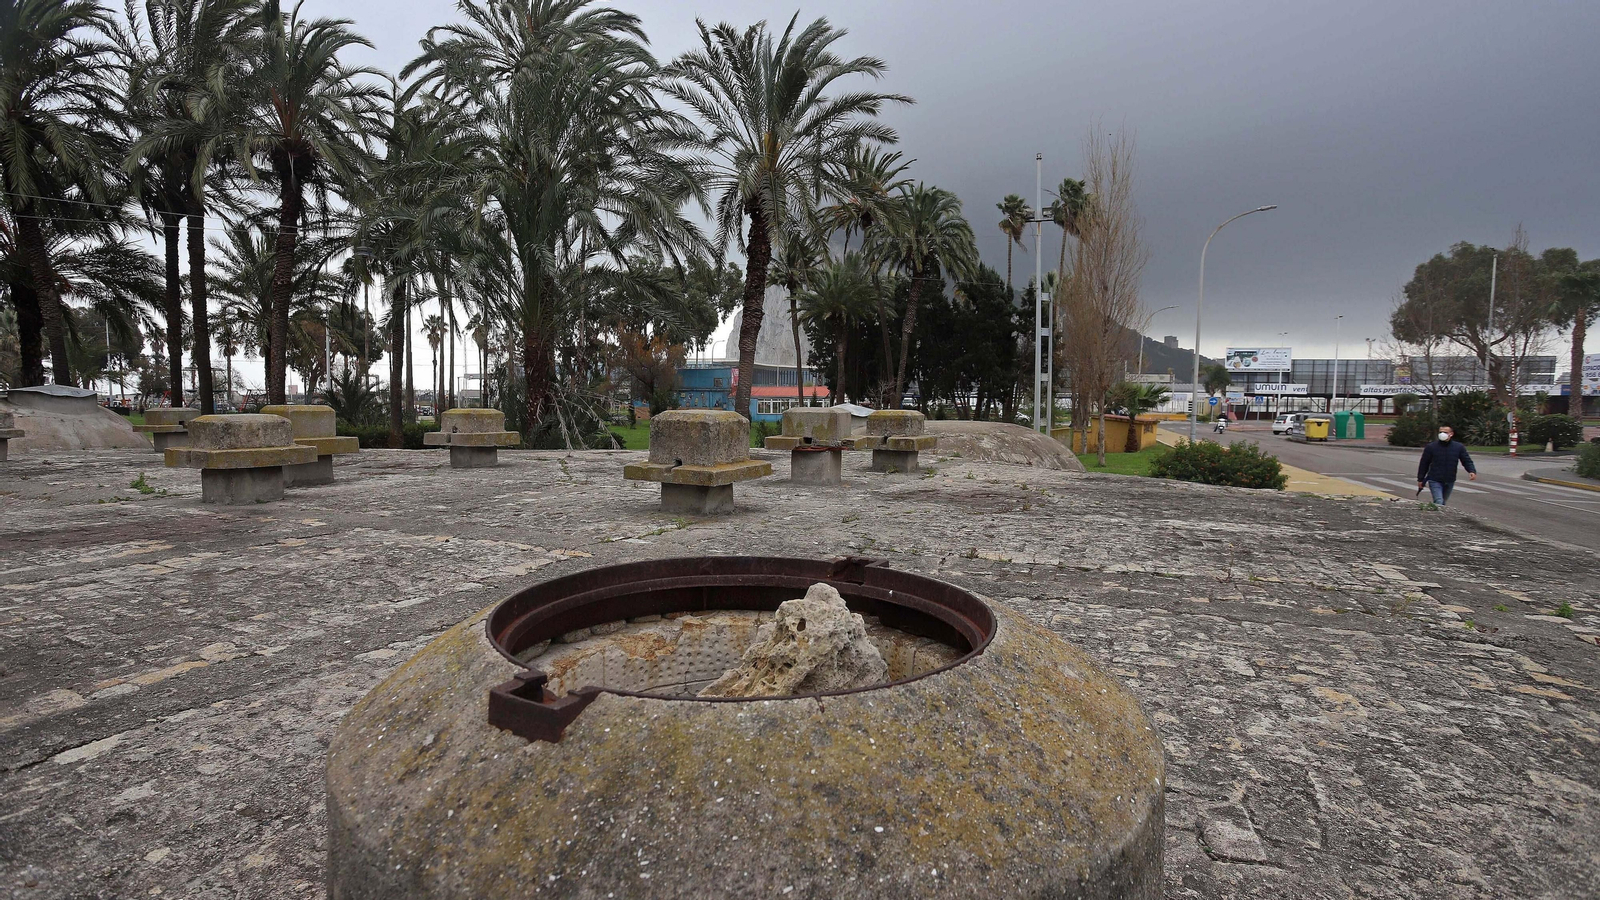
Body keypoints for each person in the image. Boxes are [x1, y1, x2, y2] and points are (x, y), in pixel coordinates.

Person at [1416, 424, 1477, 506]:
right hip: (1435, 479)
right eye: (1440, 432)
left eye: (1445, 432)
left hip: (1450, 479)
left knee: (1443, 502)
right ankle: (1437, 516)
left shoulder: (1458, 447)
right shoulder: (1431, 447)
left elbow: (1466, 460)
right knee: (1439, 501)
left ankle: (1438, 516)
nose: (1442, 434)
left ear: (1451, 434)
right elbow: (1424, 463)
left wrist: (1471, 471)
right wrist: (1421, 479)